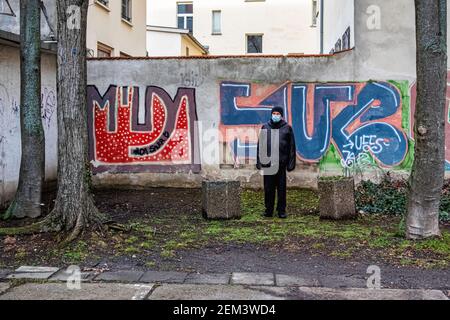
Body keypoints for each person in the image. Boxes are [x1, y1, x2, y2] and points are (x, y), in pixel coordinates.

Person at [256, 106, 297, 219]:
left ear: (281, 115)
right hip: (268, 164)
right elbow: (260, 146)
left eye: (277, 113)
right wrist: (259, 162)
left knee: (281, 189)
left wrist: (291, 163)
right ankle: (268, 210)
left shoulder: (287, 128)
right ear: (271, 114)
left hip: (281, 164)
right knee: (268, 189)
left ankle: (281, 211)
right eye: (274, 113)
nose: (275, 115)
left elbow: (292, 147)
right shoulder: (265, 127)